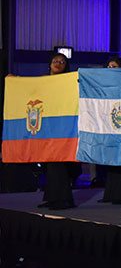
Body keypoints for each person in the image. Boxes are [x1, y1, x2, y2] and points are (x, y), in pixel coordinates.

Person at [38, 53, 76, 210]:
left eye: (62, 62)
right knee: (48, 163)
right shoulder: (42, 81)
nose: (58, 63)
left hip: (63, 126)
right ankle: (51, 197)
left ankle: (64, 199)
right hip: (45, 126)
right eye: (56, 61)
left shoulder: (70, 82)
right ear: (49, 64)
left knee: (58, 162)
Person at [98, 57, 121, 205]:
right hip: (108, 123)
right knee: (111, 157)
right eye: (108, 66)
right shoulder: (103, 84)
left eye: (114, 66)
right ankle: (111, 194)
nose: (110, 68)